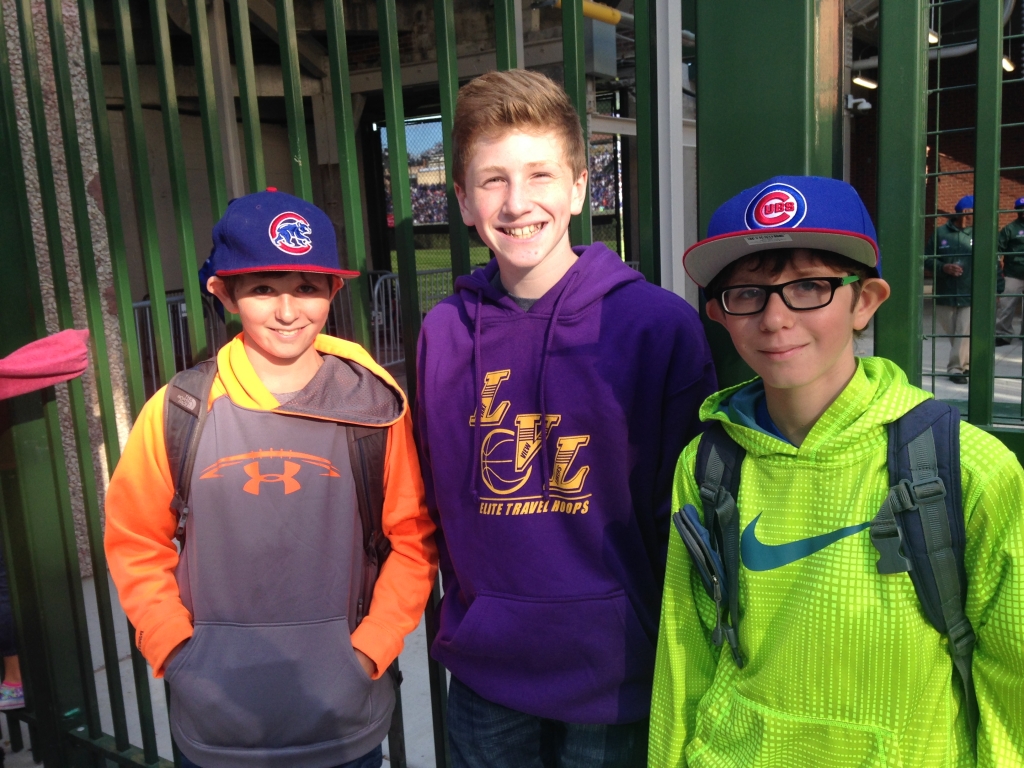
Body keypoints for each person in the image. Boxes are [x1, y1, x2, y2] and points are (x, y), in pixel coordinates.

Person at [650, 176, 1024, 767]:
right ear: (720, 314)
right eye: (747, 293)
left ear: (865, 301)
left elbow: (1012, 685)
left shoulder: (968, 467)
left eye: (808, 287)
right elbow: (685, 648)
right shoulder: (705, 463)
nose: (774, 318)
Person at [415, 69, 716, 768]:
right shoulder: (444, 331)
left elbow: (690, 515)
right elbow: (439, 496)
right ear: (461, 199)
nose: (518, 203)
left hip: (616, 676)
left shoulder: (656, 327)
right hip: (488, 673)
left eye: (541, 175)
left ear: (580, 187)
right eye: (492, 181)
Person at [104, 190, 438, 768]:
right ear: (224, 293)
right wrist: (177, 650)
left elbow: (412, 539)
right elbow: (135, 542)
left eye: (307, 288)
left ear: (334, 290)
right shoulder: (178, 408)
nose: (288, 311)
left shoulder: (374, 409)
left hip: (344, 718)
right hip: (215, 721)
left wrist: (370, 650)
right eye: (263, 288)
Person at [926, 196, 974, 385]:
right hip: (945, 291)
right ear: (964, 212)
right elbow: (928, 258)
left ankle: (955, 368)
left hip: (969, 291)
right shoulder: (940, 234)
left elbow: (992, 263)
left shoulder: (978, 233)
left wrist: (997, 290)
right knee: (954, 332)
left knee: (963, 331)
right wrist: (943, 267)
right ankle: (967, 362)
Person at [995, 196, 1024, 343]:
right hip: (1013, 273)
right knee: (1006, 304)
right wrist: (999, 267)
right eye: (1021, 210)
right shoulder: (1010, 229)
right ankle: (1003, 334)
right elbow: (999, 248)